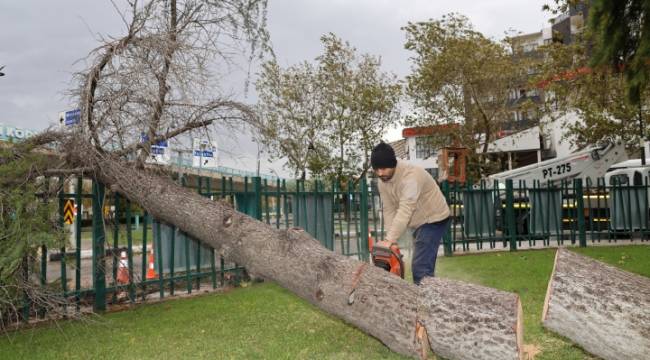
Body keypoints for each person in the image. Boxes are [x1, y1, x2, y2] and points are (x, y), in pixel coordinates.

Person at [371, 142, 450, 284]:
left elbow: (405, 209)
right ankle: (429, 292)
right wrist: (391, 241)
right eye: (376, 169)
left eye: (383, 168)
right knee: (421, 261)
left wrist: (389, 240)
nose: (380, 173)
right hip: (418, 222)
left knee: (420, 267)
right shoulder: (383, 181)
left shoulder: (411, 176)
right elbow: (389, 209)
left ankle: (425, 302)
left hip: (433, 218)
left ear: (393, 164)